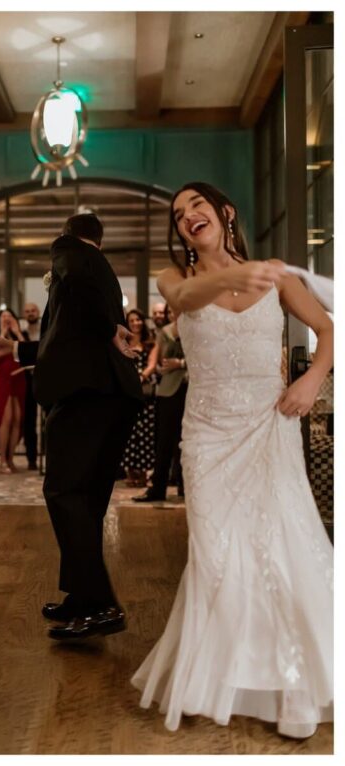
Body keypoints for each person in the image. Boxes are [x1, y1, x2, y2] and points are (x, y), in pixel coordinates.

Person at [132, 182, 333, 739]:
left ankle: (294, 687)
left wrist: (312, 380)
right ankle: (217, 678)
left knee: (283, 549)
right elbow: (183, 299)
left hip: (270, 427)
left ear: (225, 212)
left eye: (196, 205)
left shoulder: (277, 278)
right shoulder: (174, 278)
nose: (187, 216)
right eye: (178, 214)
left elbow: (327, 329)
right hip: (209, 438)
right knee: (218, 557)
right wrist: (231, 276)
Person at [0, 213, 142, 641]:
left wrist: (108, 329)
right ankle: (83, 597)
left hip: (87, 393)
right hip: (113, 394)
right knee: (85, 500)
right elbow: (68, 335)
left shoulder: (70, 255)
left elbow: (85, 316)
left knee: (64, 492)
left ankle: (101, 604)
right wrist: (16, 348)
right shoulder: (103, 274)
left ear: (68, 237)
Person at [134, 306, 187, 502]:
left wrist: (180, 364)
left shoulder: (196, 327)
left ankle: (185, 486)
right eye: (171, 311)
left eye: (177, 309)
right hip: (167, 391)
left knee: (186, 441)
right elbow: (160, 361)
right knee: (163, 441)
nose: (174, 313)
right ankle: (158, 488)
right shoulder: (165, 332)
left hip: (190, 388)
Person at [119, 308, 157, 487]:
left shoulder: (150, 343)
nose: (136, 323)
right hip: (126, 392)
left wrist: (140, 378)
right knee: (128, 431)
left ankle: (143, 473)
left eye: (138, 320)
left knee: (146, 434)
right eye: (132, 320)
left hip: (145, 393)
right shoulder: (122, 342)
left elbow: (152, 365)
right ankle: (129, 472)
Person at [0, 308, 26, 473]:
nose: (6, 318)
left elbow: (27, 353)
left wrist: (17, 333)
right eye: (3, 316)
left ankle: (11, 458)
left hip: (20, 379)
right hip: (4, 379)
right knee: (6, 418)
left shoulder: (19, 336)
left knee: (17, 419)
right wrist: (3, 333)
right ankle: (2, 460)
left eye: (9, 316)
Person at [20, 302, 41, 470]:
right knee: (29, 420)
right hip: (27, 380)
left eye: (33, 310)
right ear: (24, 315)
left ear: (38, 312)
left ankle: (50, 455)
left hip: (47, 378)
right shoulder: (22, 333)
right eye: (27, 311)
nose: (30, 313)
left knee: (51, 418)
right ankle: (31, 458)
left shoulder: (46, 330)